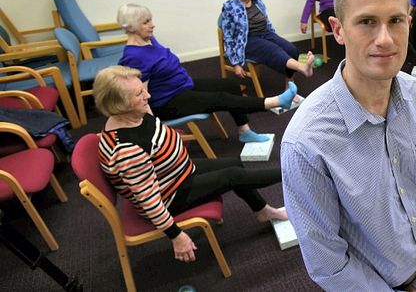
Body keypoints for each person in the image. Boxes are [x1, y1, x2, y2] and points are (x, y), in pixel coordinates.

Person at [281, 0, 416, 291]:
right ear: (338, 29)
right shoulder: (306, 142)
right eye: (366, 22)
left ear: (409, 22)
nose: (385, 39)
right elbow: (327, 261)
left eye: (396, 21)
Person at [93, 66, 288, 263]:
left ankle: (263, 211)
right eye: (139, 93)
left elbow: (153, 132)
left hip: (176, 172)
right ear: (120, 104)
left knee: (233, 162)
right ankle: (290, 171)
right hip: (168, 196)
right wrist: (176, 235)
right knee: (233, 176)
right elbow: (149, 201)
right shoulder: (127, 151)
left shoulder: (130, 114)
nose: (148, 95)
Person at [117, 3, 297, 144]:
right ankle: (275, 101)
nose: (152, 24)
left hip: (182, 86)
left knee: (231, 86)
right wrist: (153, 129)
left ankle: (245, 132)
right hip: (167, 102)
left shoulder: (149, 40)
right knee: (221, 98)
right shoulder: (134, 57)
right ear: (132, 27)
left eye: (151, 19)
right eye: (146, 22)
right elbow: (142, 96)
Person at [221, 0, 314, 81]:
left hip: (265, 33)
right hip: (248, 41)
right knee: (274, 50)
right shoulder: (230, 7)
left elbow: (266, 20)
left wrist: (274, 37)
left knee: (291, 49)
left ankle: (289, 86)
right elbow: (228, 37)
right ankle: (302, 67)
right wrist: (235, 63)